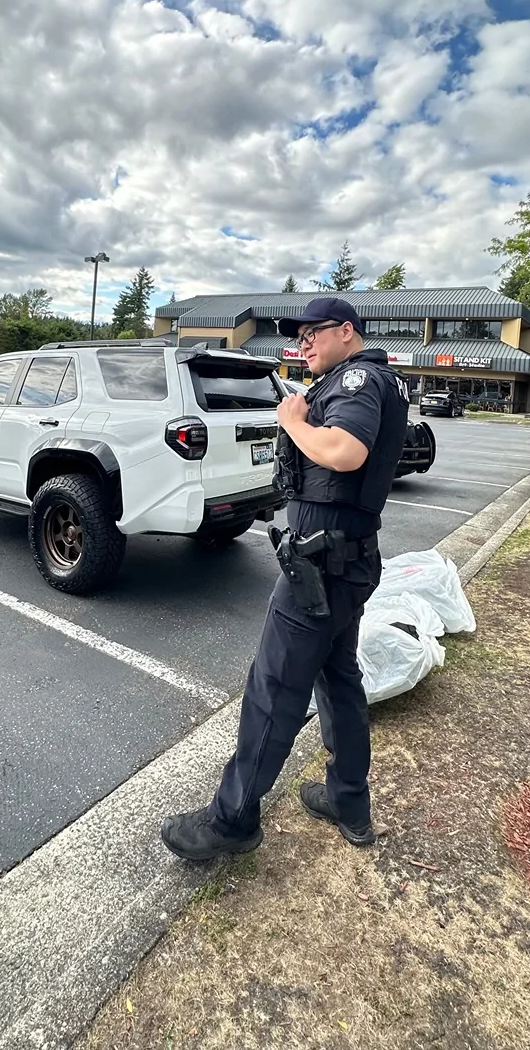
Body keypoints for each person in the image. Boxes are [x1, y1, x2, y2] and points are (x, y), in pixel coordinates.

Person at [161, 296, 409, 861]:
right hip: (346, 562)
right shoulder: (374, 378)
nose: (304, 343)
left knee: (274, 688)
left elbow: (344, 452)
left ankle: (232, 821)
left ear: (347, 331)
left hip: (320, 567)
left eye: (313, 333)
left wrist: (294, 421)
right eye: (297, 335)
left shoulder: (357, 382)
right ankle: (349, 799)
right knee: (339, 679)